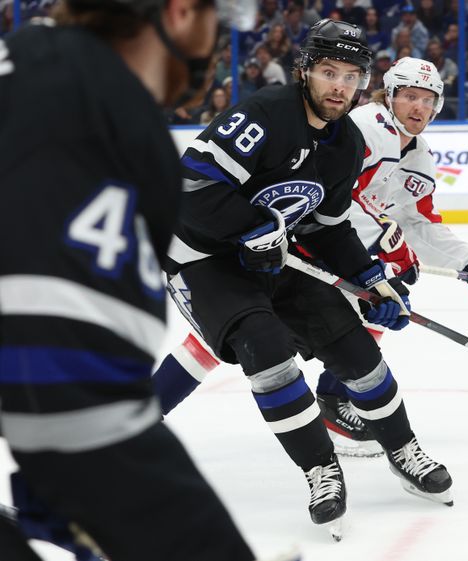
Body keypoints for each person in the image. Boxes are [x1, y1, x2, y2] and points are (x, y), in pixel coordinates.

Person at [0, 1, 293, 561]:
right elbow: (74, 401)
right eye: (220, 22)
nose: (217, 45)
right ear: (182, 11)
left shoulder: (34, 63)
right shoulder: (102, 112)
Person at [155, 20, 454, 538]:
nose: (339, 86)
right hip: (203, 257)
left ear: (363, 83)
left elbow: (330, 226)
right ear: (305, 72)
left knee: (354, 346)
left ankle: (401, 447)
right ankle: (321, 468)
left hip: (278, 255)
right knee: (265, 346)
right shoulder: (266, 114)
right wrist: (252, 230)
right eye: (328, 72)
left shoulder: (346, 143)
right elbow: (190, 186)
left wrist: (369, 278)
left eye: (351, 76)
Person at [152, 57, 468, 463]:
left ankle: (333, 399)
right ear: (390, 94)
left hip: (329, 246)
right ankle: (331, 402)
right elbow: (335, 207)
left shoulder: (418, 152)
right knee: (228, 337)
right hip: (298, 244)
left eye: (427, 100)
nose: (418, 108)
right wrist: (385, 241)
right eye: (410, 97)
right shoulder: (363, 127)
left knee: (372, 307)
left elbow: (420, 222)